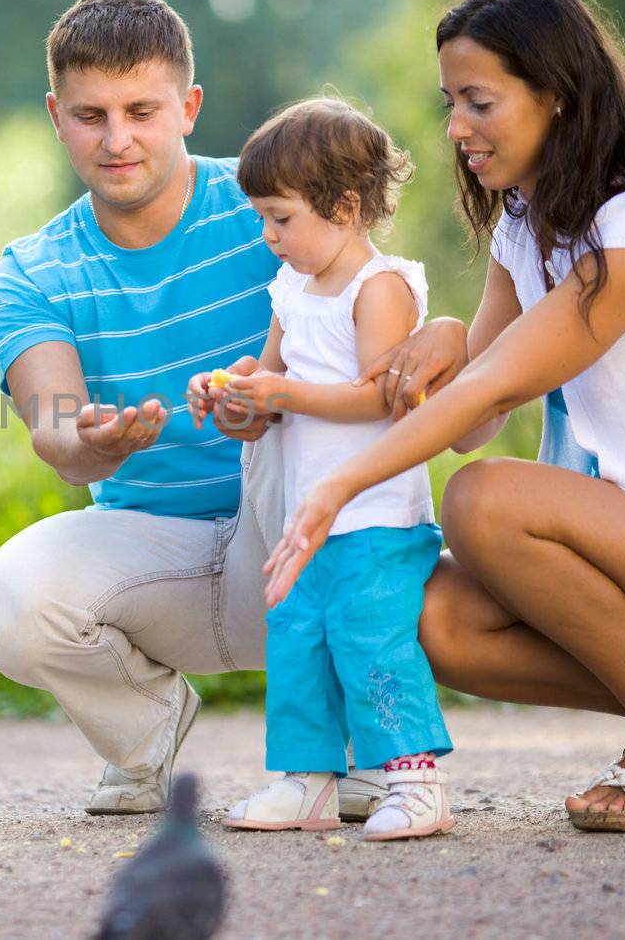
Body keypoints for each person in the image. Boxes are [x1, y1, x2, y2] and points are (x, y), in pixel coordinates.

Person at [266, 0, 625, 833]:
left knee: (484, 499)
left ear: (557, 95)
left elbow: (499, 386)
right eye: (451, 102)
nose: (457, 130)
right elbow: (477, 416)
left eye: (479, 103)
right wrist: (449, 333)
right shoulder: (524, 229)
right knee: (436, 619)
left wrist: (337, 487)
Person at [0, 0, 390, 818]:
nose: (116, 139)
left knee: (326, 472)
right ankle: (146, 730)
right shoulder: (29, 274)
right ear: (57, 116)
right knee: (8, 602)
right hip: (161, 560)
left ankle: (370, 739)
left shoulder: (274, 203)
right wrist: (98, 443)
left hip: (302, 532)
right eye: (90, 114)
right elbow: (57, 433)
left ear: (189, 107)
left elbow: (376, 320)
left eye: (141, 110)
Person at [193, 98, 455, 841]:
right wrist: (237, 392)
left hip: (374, 516)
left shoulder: (382, 287)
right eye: (262, 218)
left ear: (344, 205)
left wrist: (284, 390)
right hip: (305, 516)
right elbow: (273, 387)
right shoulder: (290, 290)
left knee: (371, 637)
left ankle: (414, 779)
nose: (268, 235)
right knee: (297, 637)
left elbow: (383, 395)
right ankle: (304, 781)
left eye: (280, 218)